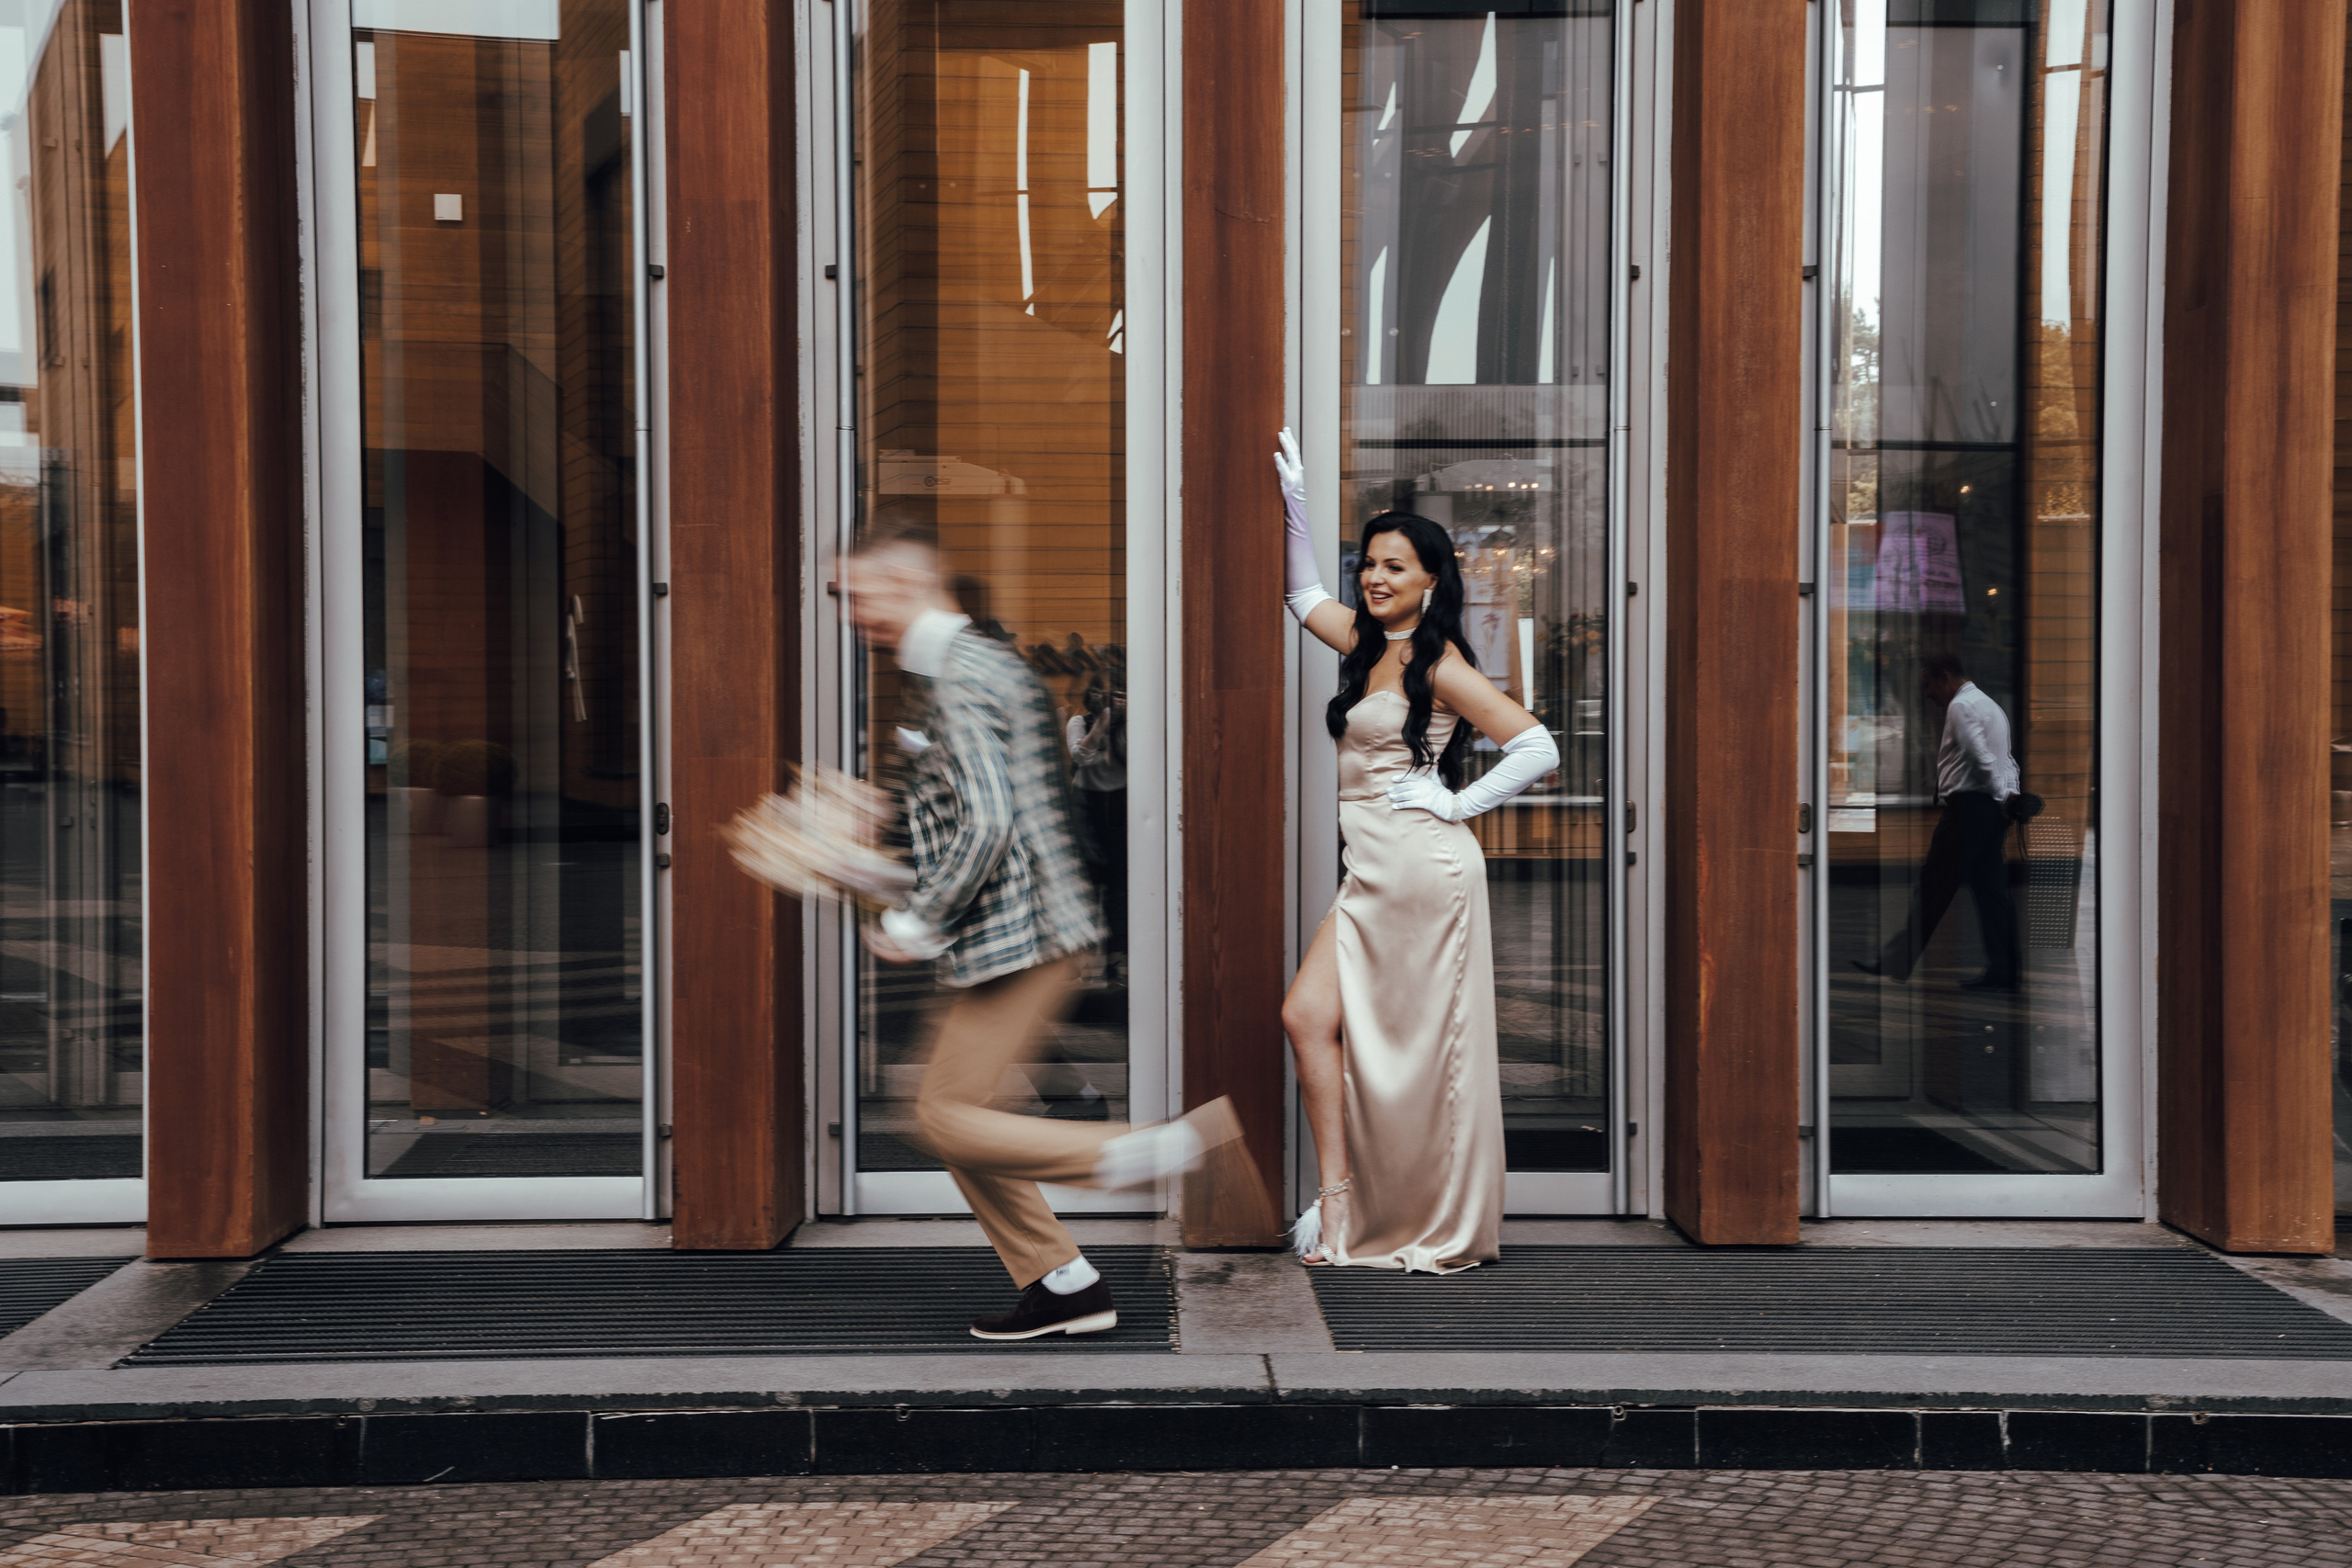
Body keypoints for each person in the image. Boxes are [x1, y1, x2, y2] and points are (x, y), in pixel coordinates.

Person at [842, 510, 1250, 1338]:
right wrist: (886, 826)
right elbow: (970, 801)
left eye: (859, 594)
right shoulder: (963, 665)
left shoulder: (960, 672)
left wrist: (916, 921)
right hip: (1022, 927)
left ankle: (1144, 1153)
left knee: (942, 1116)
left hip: (1019, 933)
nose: (853, 613)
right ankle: (1063, 1281)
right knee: (959, 1115)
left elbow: (989, 822)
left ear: (908, 580)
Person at [1272, 430, 1560, 1272]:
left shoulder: (1437, 663)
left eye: (1395, 566)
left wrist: (1456, 802)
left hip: (1424, 869)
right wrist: (1295, 503)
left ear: (1431, 580)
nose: (1375, 577)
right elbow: (1302, 595)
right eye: (1369, 563)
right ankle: (1340, 1206)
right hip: (1373, 868)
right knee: (1307, 1018)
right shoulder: (1367, 644)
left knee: (1425, 1047)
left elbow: (1537, 746)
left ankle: (1422, 1215)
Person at [1854, 651, 2022, 991]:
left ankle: (1896, 959)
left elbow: (1980, 758)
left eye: (1927, 684)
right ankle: (2004, 969)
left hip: (1968, 810)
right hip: (1989, 811)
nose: (1926, 693)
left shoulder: (1961, 706)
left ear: (1945, 676)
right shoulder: (1990, 705)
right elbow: (2006, 761)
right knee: (1992, 892)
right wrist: (2008, 795)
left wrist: (2001, 795)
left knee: (1933, 886)